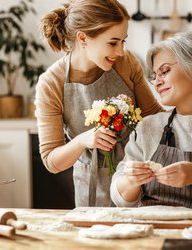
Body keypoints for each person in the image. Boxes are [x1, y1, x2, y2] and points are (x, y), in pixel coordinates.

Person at [35, 0, 163, 207]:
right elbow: (52, 161)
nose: (120, 51)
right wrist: (82, 141)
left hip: (137, 177)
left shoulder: (125, 63)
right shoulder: (51, 83)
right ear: (83, 38)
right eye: (113, 43)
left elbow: (154, 118)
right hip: (91, 187)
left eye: (123, 41)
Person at [110, 31, 192, 213]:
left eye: (165, 71)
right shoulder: (148, 126)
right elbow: (119, 198)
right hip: (151, 231)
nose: (157, 82)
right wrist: (130, 181)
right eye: (154, 76)